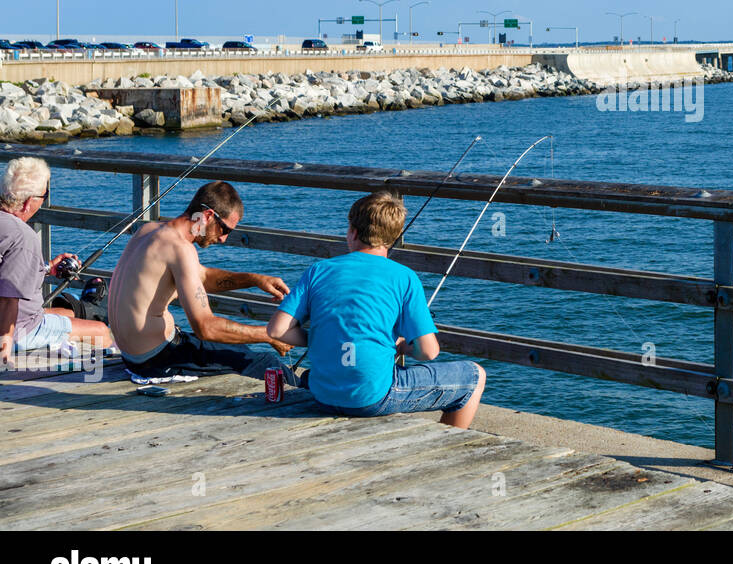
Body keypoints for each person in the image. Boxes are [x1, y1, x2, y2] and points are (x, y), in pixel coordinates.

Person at [267, 190, 485, 427]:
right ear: (393, 238)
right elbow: (429, 352)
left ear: (353, 232)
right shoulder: (405, 277)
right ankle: (447, 449)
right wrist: (401, 346)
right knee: (474, 376)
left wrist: (325, 340)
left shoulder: (318, 270)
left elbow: (277, 330)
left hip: (323, 395)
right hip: (373, 398)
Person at [106, 179, 297, 385]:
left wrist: (254, 280)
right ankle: (310, 395)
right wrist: (269, 335)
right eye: (225, 230)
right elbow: (206, 328)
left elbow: (202, 277)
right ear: (207, 216)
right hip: (157, 361)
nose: (224, 239)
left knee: (240, 349)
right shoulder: (181, 249)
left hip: (135, 355)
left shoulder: (150, 230)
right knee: (265, 362)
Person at [0, 157, 115, 366]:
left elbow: (7, 270)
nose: (44, 200)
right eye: (45, 195)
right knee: (100, 332)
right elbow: (8, 299)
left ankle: (88, 308)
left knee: (69, 314)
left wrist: (46, 268)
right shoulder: (23, 236)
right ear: (28, 202)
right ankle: (102, 387)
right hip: (17, 327)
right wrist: (4, 346)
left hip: (24, 315)